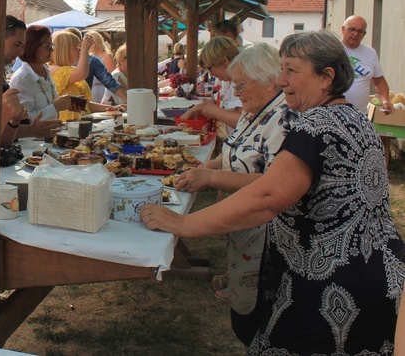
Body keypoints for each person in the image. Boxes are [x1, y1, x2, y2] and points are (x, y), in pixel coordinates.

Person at [141, 31, 405, 354]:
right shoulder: (355, 117)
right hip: (379, 276)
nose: (281, 80)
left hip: (335, 289)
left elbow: (267, 197)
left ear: (326, 77)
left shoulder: (316, 124)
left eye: (291, 70)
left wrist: (183, 225)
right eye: (281, 70)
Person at [172, 44, 298, 345]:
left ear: (268, 81)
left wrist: (212, 177)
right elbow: (238, 153)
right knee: (244, 304)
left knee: (256, 318)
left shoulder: (281, 120)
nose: (235, 92)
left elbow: (271, 183)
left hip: (267, 233)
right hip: (244, 227)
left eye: (240, 85)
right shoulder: (254, 111)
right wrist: (209, 165)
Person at [49, 31, 123, 122]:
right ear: (64, 50)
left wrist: (114, 108)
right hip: (66, 125)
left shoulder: (71, 71)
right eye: (76, 48)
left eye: (80, 47)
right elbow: (82, 73)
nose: (79, 50)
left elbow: (86, 105)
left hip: (79, 124)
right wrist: (85, 50)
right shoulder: (53, 69)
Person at [9, 25, 74, 121]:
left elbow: (50, 104)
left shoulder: (45, 70)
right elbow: (24, 119)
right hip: (32, 136)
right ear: (33, 46)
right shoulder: (22, 78)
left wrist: (65, 104)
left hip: (50, 133)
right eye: (47, 46)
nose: (51, 50)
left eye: (51, 46)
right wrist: (55, 107)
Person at [182, 36, 242, 136]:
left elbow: (244, 120)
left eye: (210, 68)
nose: (211, 73)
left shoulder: (240, 83)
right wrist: (198, 108)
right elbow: (217, 100)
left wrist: (216, 112)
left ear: (225, 61)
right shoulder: (228, 82)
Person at [340, 15, 394, 114]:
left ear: (364, 34)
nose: (355, 34)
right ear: (343, 29)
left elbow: (379, 81)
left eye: (360, 31)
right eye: (352, 29)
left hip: (359, 115)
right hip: (332, 114)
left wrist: (385, 100)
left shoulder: (370, 53)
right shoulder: (331, 49)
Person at [64, 27, 127, 103]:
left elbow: (110, 82)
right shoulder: (58, 67)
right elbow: (80, 74)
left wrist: (128, 101)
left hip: (86, 103)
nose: (78, 49)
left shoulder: (93, 60)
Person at [87, 31, 115, 103]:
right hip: (91, 89)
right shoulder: (88, 56)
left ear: (96, 42)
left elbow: (113, 75)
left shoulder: (106, 56)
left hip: (102, 88)